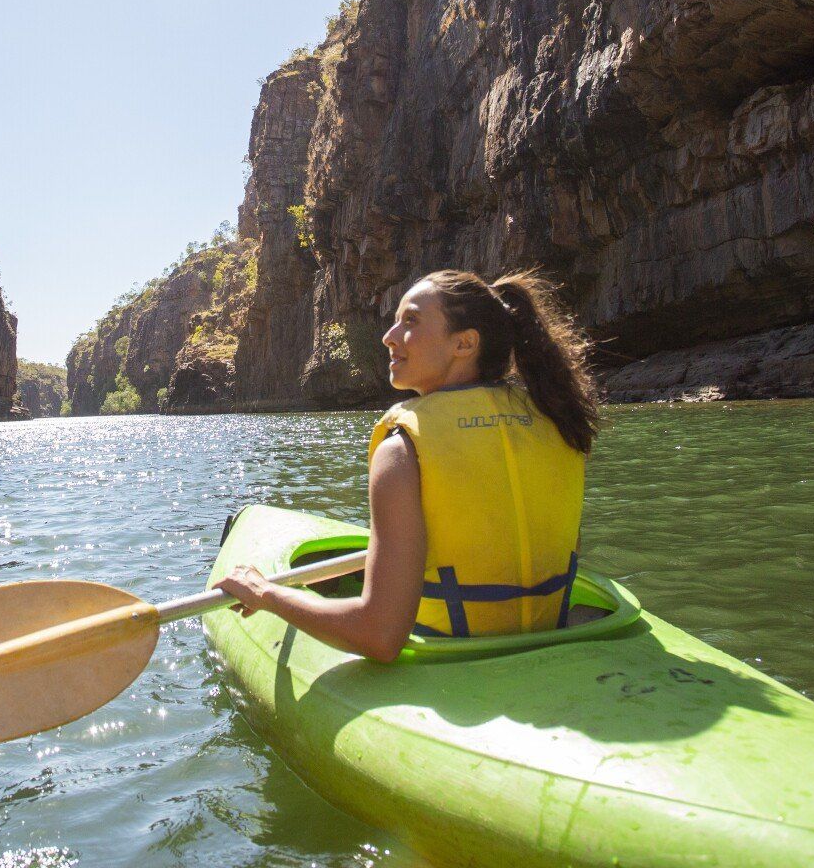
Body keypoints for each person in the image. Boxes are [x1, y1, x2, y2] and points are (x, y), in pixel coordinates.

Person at [216, 269, 599, 661]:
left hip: (455, 660)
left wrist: (266, 594)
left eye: (410, 320)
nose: (389, 336)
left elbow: (379, 635)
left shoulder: (403, 449)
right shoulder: (560, 423)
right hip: (550, 644)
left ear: (464, 343)